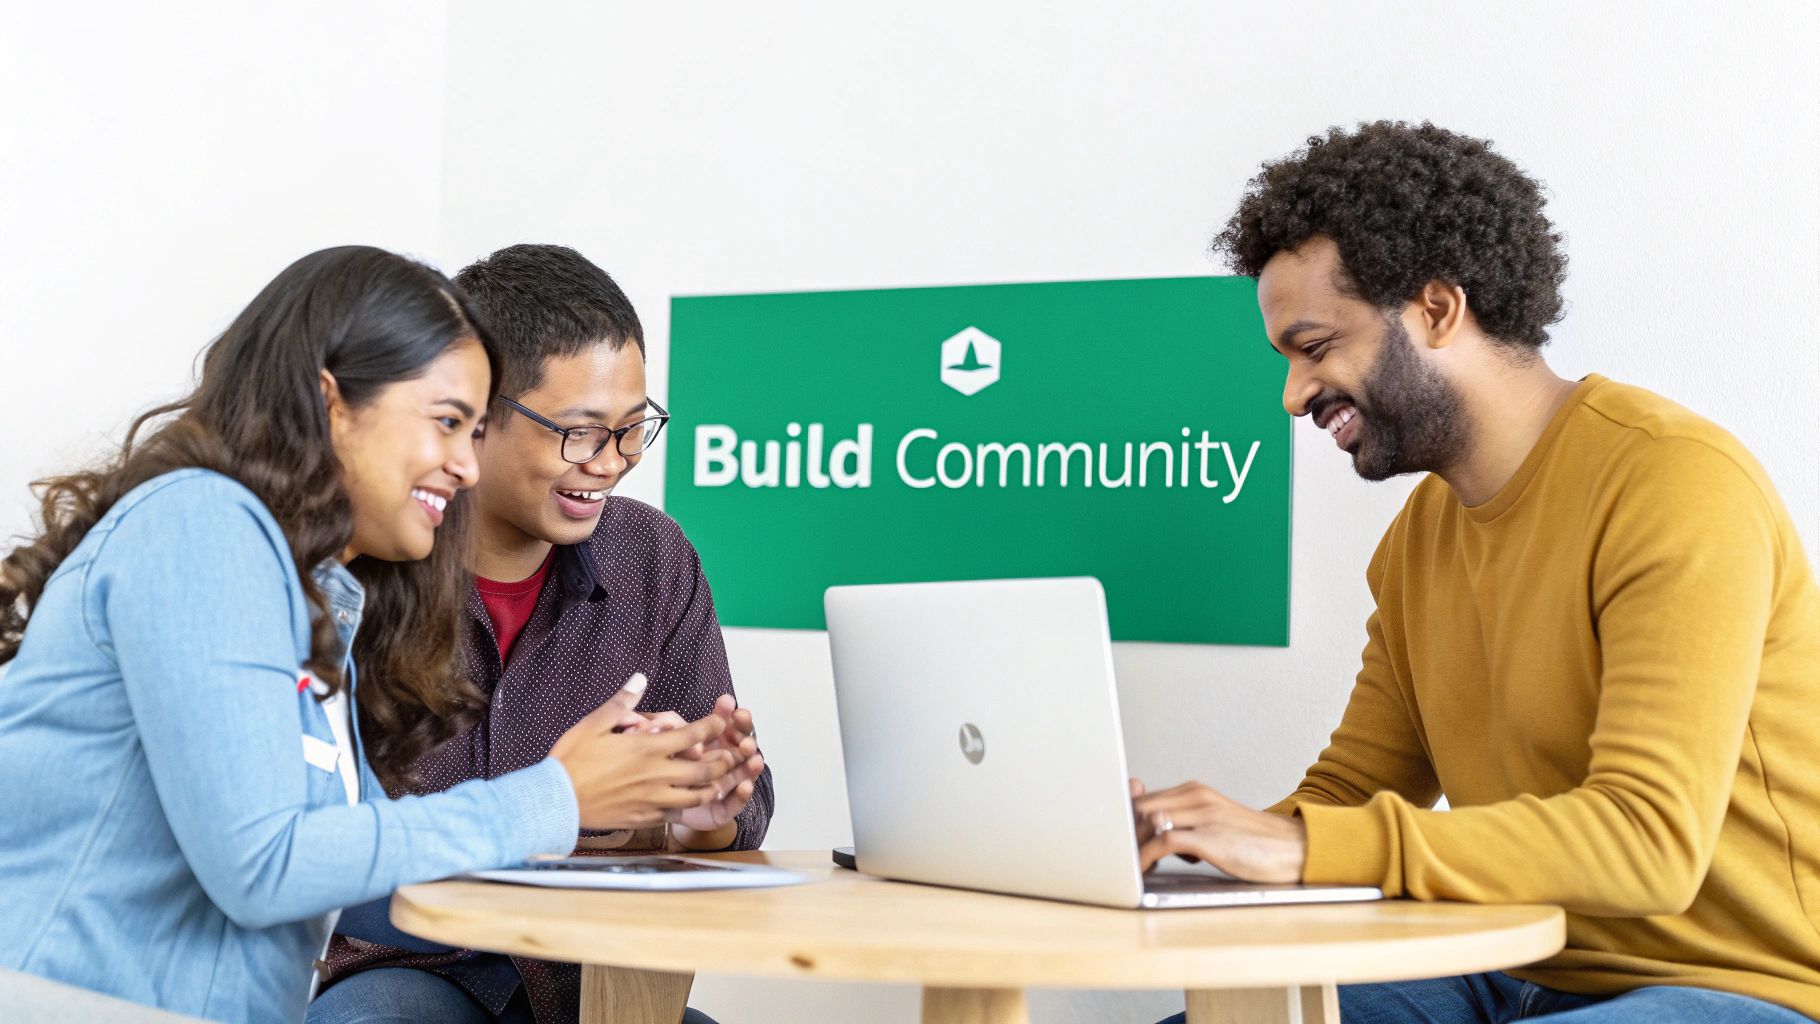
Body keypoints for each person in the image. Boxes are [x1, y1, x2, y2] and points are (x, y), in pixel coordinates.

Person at [1143, 123, 1820, 1023]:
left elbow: (1649, 842)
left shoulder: (1673, 481)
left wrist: (1302, 847)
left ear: (1434, 309)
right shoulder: (1419, 541)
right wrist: (1184, 844)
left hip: (1741, 985)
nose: (1293, 394)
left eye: (1314, 347)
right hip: (1512, 961)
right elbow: (1352, 796)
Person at [0, 246, 739, 1023]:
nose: (464, 465)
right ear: (332, 406)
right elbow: (269, 864)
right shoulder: (202, 527)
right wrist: (557, 795)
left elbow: (346, 877)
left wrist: (611, 813)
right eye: (450, 424)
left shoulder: (314, 589)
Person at [314, 244, 772, 1024]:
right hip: (400, 969)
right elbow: (317, 847)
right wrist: (559, 797)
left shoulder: (651, 559)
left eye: (634, 429)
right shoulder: (367, 562)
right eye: (582, 432)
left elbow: (743, 817)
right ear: (475, 413)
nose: (612, 463)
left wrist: (704, 808)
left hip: (581, 982)